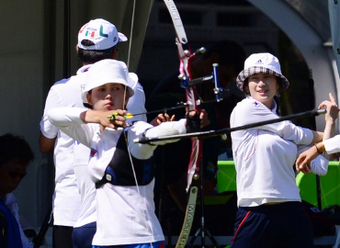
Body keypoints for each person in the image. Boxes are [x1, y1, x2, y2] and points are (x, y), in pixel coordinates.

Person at [46, 59, 208, 248]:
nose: (109, 96)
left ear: (127, 96)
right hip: (103, 241)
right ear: (89, 99)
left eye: (116, 89)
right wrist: (96, 117)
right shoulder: (92, 134)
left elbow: (154, 134)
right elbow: (54, 116)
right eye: (101, 90)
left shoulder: (136, 130)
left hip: (140, 241)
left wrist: (186, 125)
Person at [39, 18, 147, 248]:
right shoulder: (131, 88)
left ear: (78, 50)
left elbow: (45, 145)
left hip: (71, 207)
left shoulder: (59, 89)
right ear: (115, 53)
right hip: (117, 210)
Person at [229, 52, 338, 248]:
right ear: (246, 86)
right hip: (255, 212)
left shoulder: (287, 136)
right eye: (255, 78)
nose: (261, 83)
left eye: (268, 77)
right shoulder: (243, 109)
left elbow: (321, 166)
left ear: (278, 84)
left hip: (292, 212)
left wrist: (330, 122)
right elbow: (291, 130)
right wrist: (326, 138)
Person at [147, 39, 246, 234]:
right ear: (214, 60)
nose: (223, 85)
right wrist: (189, 209)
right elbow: (169, 163)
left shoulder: (205, 94)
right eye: (224, 77)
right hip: (172, 204)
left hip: (193, 198)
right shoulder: (173, 91)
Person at [0, 133, 34, 248]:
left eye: (22, 175)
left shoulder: (9, 202)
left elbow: (23, 243)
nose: (17, 180)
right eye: (13, 174)